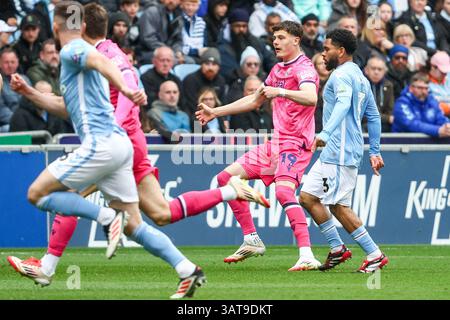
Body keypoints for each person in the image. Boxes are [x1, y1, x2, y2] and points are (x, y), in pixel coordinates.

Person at [8, 2, 269, 299]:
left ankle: (52, 263)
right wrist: (29, 92)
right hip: (125, 144)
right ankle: (190, 263)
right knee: (156, 215)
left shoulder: (94, 53)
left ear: (73, 28)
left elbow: (128, 81)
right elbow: (70, 105)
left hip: (113, 142)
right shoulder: (89, 59)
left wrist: (122, 106)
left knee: (52, 195)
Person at [197, 21, 323, 271]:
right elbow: (255, 100)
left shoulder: (305, 68)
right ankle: (251, 239)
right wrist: (215, 112)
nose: (275, 42)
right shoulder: (277, 69)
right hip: (276, 142)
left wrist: (281, 92)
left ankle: (307, 255)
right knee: (225, 178)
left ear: (296, 40)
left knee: (284, 192)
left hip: (296, 143)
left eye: (281, 37)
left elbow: (311, 97)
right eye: (274, 38)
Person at [299, 28, 389, 273]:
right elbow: (373, 115)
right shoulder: (360, 76)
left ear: (340, 51)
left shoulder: (341, 76)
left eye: (326, 49)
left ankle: (374, 254)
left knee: (338, 206)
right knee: (307, 197)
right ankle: (337, 248)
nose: (323, 53)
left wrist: (325, 133)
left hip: (339, 151)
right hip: (336, 152)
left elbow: (342, 103)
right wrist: (375, 151)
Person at [182, 48, 226, 120]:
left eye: (214, 64)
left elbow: (223, 103)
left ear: (219, 67)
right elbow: (191, 106)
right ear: (201, 65)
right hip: (195, 117)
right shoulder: (190, 80)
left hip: (215, 117)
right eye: (207, 64)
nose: (210, 68)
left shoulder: (221, 81)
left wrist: (225, 120)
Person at [138, 0, 184, 65]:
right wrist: (168, 52)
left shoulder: (178, 15)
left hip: (170, 52)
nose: (171, 1)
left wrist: (178, 52)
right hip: (148, 52)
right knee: (174, 61)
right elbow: (148, 38)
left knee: (186, 61)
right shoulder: (152, 11)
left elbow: (178, 39)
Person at [0, 48, 31, 132]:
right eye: (6, 62)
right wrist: (18, 121)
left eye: (12, 62)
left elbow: (31, 102)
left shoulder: (25, 80)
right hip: (7, 123)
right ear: (0, 64)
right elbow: (1, 110)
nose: (10, 65)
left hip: (26, 120)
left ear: (17, 63)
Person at [364, 56, 395, 132]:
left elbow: (390, 110)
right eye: (373, 68)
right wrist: (386, 118)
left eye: (379, 69)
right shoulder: (360, 85)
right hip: (363, 124)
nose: (376, 72)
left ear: (384, 72)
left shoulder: (388, 85)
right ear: (366, 70)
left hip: (381, 124)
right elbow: (362, 114)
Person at [311, 52, 330, 133]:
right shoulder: (310, 84)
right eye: (320, 63)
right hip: (314, 126)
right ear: (315, 67)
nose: (324, 65)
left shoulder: (336, 81)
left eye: (326, 62)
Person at [428, 51, 450, 116]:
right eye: (442, 72)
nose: (445, 74)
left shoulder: (448, 76)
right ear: (432, 67)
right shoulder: (424, 82)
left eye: (446, 72)